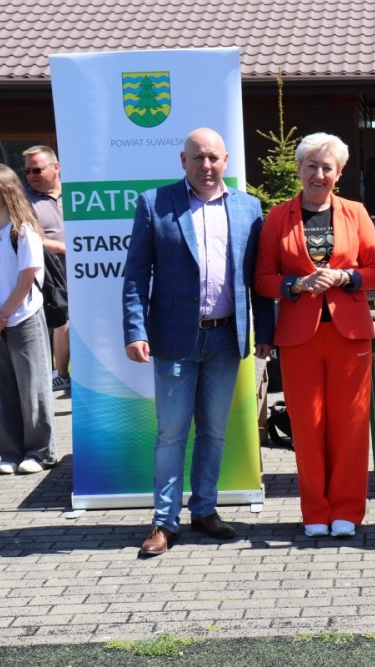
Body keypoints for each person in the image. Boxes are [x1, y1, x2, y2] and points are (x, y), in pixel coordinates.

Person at [122, 128, 274, 557]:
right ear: (183, 160)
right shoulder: (154, 203)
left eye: (213, 158)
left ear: (225, 160)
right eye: (198, 157)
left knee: (214, 431)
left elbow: (258, 277)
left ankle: (204, 510)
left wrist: (266, 331)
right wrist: (135, 330)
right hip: (174, 339)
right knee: (171, 433)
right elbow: (136, 275)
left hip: (226, 337)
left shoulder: (248, 207)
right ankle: (164, 521)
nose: (206, 166)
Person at [255, 132, 375, 539]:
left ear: (339, 173)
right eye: (311, 165)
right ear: (299, 169)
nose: (319, 174)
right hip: (299, 337)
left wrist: (345, 277)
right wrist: (295, 284)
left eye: (328, 167)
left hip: (350, 334)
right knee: (307, 427)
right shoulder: (278, 217)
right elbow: (262, 278)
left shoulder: (356, 213)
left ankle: (347, 510)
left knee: (350, 425)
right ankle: (315, 511)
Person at [0, 163, 59, 475]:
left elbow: (26, 279)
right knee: (1, 390)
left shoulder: (23, 231)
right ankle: (9, 452)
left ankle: (40, 452)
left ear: (6, 192)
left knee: (33, 388)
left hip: (24, 319)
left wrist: (2, 316)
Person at [22, 145, 71, 391]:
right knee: (62, 319)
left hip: (87, 269)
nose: (31, 176)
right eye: (27, 171)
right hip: (49, 274)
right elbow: (29, 236)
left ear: (56, 167)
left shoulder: (75, 191)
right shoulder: (24, 199)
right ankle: (61, 374)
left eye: (37, 170)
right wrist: (64, 248)